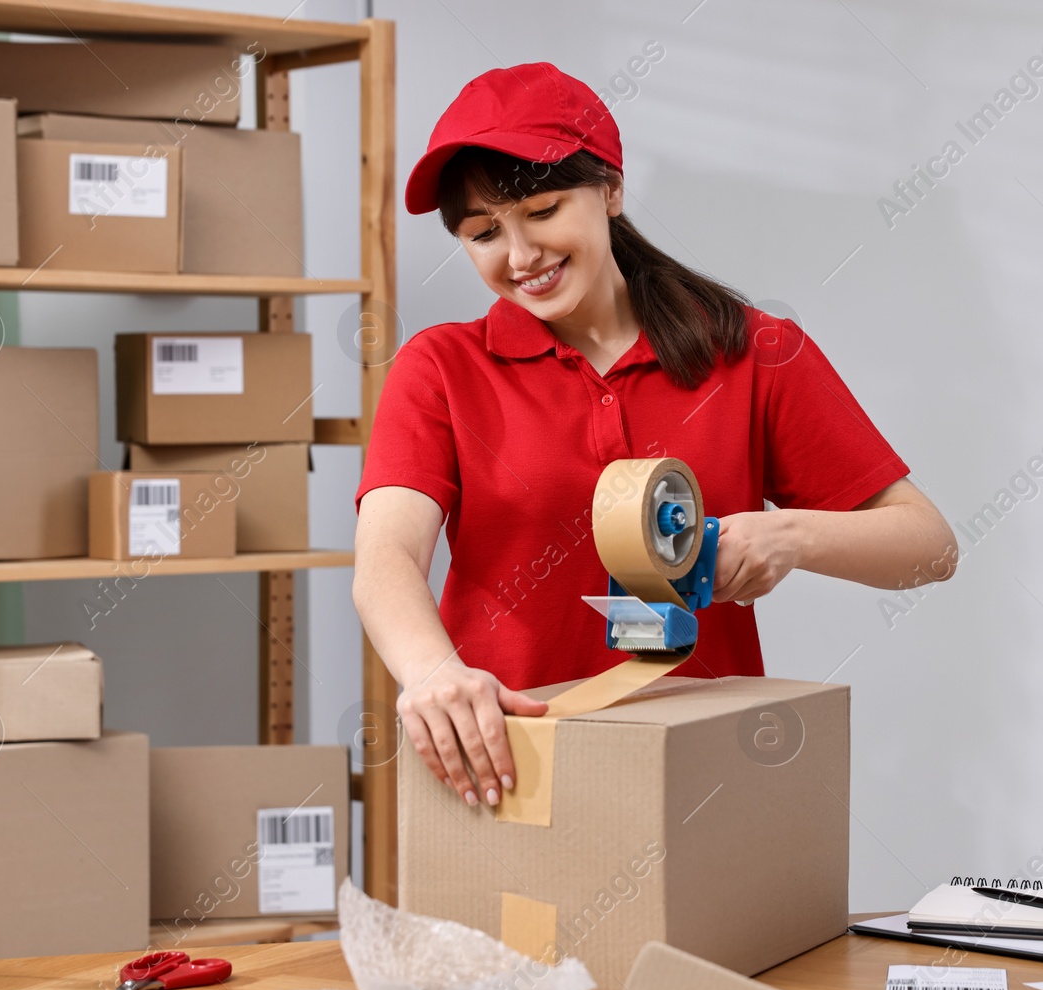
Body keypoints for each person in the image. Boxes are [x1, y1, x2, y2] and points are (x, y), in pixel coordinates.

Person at [353, 62, 957, 811]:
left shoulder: (752, 351)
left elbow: (929, 546)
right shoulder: (443, 368)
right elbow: (385, 561)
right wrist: (433, 672)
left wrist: (787, 537)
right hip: (509, 774)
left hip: (704, 779)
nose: (519, 257)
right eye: (483, 234)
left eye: (541, 210)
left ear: (608, 189)